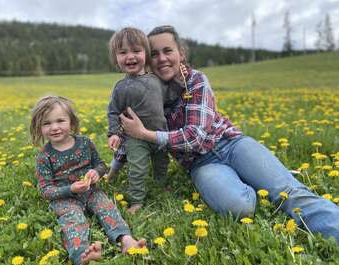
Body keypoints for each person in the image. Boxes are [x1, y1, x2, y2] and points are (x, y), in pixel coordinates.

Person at [119, 25, 339, 244]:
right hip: (202, 164)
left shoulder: (196, 80)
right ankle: (256, 179)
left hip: (233, 145)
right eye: (154, 54)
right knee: (239, 207)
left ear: (181, 54)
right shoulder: (144, 94)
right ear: (147, 60)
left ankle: (274, 182)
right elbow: (131, 131)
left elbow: (194, 136)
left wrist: (146, 134)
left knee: (290, 193)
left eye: (168, 51)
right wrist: (113, 161)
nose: (162, 59)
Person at [30, 95, 146, 265]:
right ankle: (83, 257)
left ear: (72, 121)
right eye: (47, 123)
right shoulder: (44, 156)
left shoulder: (85, 143)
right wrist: (70, 189)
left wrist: (96, 172)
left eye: (60, 120)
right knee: (73, 221)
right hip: (65, 199)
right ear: (39, 126)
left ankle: (126, 239)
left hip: (91, 192)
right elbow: (45, 190)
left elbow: (101, 165)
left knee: (107, 208)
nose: (54, 127)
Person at [107, 27, 183, 214]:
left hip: (159, 135)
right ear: (116, 59)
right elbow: (113, 111)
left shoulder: (157, 80)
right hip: (136, 139)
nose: (130, 56)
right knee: (137, 169)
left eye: (136, 51)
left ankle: (160, 185)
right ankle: (136, 200)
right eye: (123, 52)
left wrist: (181, 80)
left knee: (161, 164)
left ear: (146, 54)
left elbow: (170, 95)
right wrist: (114, 133)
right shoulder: (121, 87)